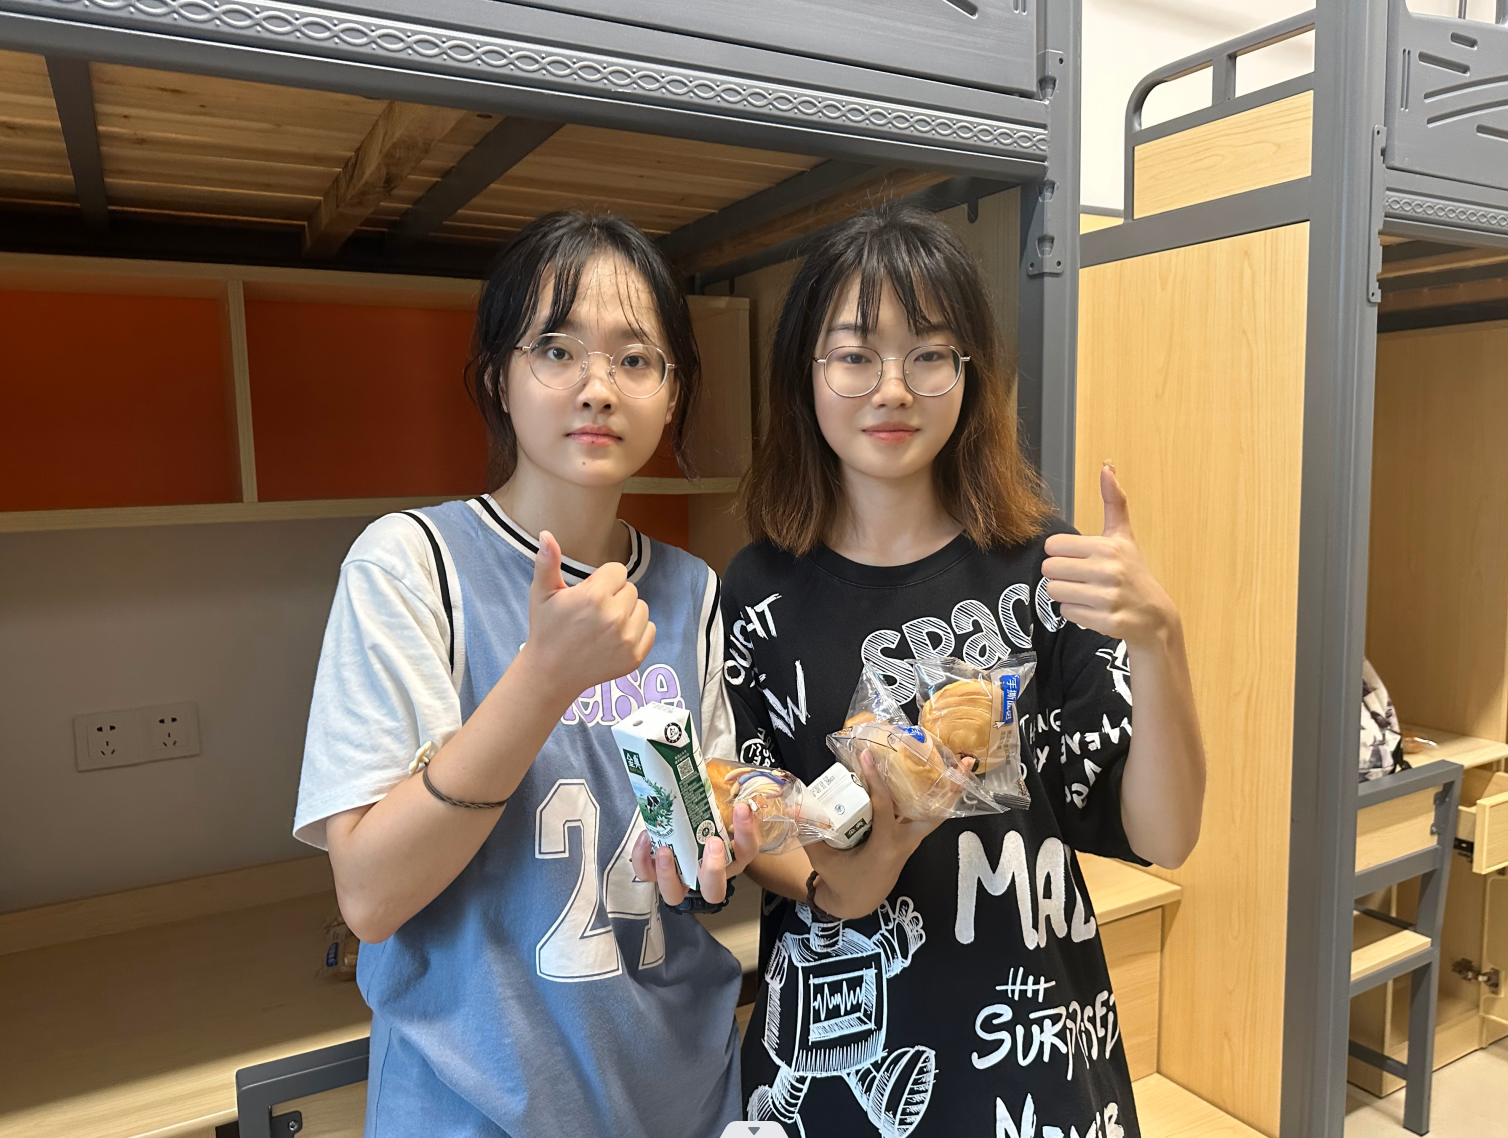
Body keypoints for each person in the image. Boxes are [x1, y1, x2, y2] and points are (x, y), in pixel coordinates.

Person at [719, 204, 1205, 1137]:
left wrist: (1161, 640)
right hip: (831, 1066)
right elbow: (753, 815)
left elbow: (1168, 835)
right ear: (804, 375)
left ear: (970, 372)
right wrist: (844, 877)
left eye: (930, 354)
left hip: (1031, 1050)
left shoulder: (1046, 566)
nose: (893, 389)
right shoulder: (756, 589)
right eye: (854, 355)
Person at [292, 210, 760, 1138]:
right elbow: (371, 897)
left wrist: (719, 847)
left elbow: (689, 859)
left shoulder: (691, 588)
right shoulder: (411, 565)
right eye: (555, 349)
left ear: (672, 394)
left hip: (684, 1099)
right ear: (498, 380)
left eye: (636, 359)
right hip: (475, 1113)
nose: (598, 388)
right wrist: (543, 679)